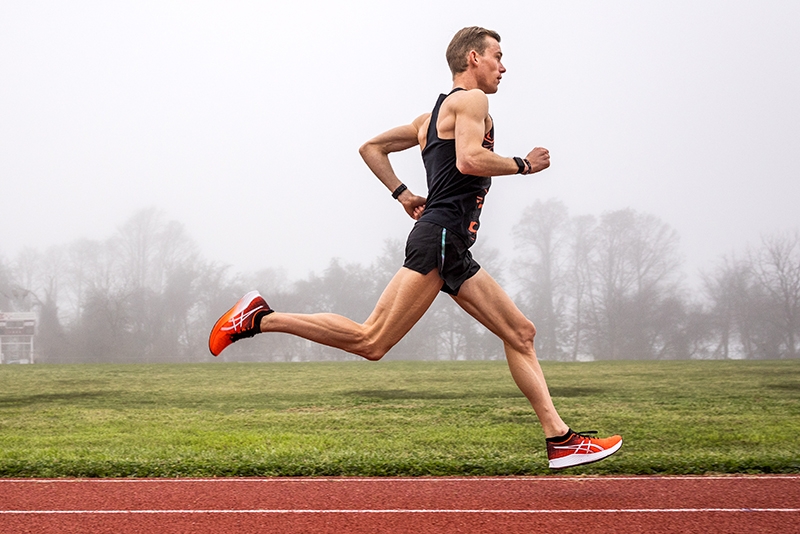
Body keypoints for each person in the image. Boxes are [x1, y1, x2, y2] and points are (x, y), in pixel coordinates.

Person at [209, 27, 622, 469]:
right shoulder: (473, 101)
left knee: (520, 333)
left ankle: (559, 439)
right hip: (442, 238)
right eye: (497, 56)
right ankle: (259, 319)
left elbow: (371, 148)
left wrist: (403, 193)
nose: (503, 67)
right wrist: (524, 165)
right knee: (371, 340)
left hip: (447, 240)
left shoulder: (428, 120)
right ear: (472, 58)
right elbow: (468, 159)